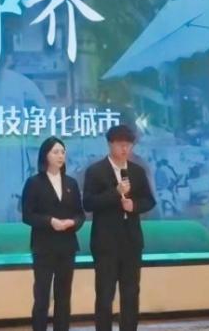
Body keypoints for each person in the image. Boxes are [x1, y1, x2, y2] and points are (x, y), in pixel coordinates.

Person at [83, 124, 156, 331]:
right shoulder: (95, 171)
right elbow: (88, 203)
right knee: (105, 294)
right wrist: (115, 193)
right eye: (120, 144)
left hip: (131, 242)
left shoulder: (137, 171)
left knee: (131, 293)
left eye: (128, 144)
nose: (125, 149)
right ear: (110, 144)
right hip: (105, 243)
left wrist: (135, 206)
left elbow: (149, 201)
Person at [21, 137, 85, 331]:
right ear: (45, 155)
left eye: (63, 152)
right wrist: (50, 221)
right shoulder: (34, 183)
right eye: (55, 152)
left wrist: (73, 222)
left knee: (63, 296)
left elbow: (80, 214)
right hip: (44, 247)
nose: (60, 156)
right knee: (42, 296)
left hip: (67, 246)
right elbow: (27, 215)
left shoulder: (71, 183)